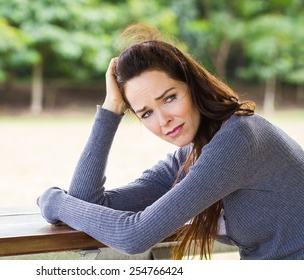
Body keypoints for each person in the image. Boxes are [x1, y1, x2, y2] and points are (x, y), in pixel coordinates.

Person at [37, 24, 304, 260]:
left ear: (192, 85)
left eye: (169, 98)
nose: (163, 119)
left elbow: (135, 236)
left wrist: (56, 202)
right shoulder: (190, 157)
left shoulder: (239, 138)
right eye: (146, 113)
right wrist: (111, 109)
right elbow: (87, 201)